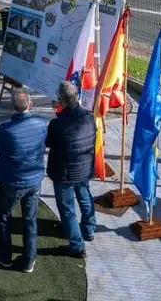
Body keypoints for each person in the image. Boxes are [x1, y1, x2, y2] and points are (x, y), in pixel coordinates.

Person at [0, 89, 48, 273]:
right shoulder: (41, 123)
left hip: (12, 181)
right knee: (30, 220)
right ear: (30, 104)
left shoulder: (5, 129)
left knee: (4, 217)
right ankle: (29, 260)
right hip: (34, 180)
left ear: (11, 107)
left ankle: (4, 256)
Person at [46, 81, 97, 258]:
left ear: (61, 100)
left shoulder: (57, 123)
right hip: (84, 168)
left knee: (67, 209)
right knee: (85, 197)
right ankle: (89, 229)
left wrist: (57, 116)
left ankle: (76, 246)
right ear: (77, 96)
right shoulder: (89, 116)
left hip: (65, 172)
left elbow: (49, 142)